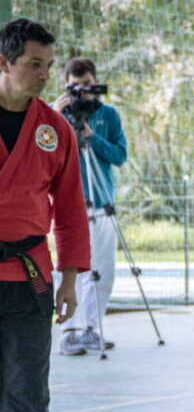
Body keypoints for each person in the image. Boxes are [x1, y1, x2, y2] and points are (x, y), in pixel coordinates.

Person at [0, 18, 90, 412]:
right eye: (34, 64)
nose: (43, 75)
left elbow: (71, 206)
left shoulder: (54, 129)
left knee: (28, 390)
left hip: (29, 275)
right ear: (3, 63)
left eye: (48, 66)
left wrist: (71, 279)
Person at [53, 57, 127, 355]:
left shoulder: (108, 115)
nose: (83, 91)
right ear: (67, 85)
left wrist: (91, 138)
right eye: (76, 85)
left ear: (95, 82)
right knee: (73, 268)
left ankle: (92, 328)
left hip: (102, 202)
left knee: (103, 269)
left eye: (88, 84)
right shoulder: (56, 115)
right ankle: (68, 330)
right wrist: (59, 115)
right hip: (71, 205)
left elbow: (120, 156)